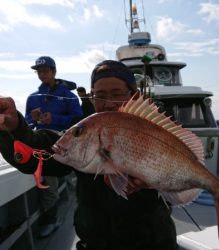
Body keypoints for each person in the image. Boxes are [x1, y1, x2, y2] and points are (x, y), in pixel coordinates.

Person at [0, 60, 179, 250]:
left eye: (117, 94)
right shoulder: (85, 135)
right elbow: (39, 151)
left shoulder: (158, 130)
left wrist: (155, 180)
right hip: (96, 243)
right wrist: (13, 128)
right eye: (100, 95)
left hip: (154, 242)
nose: (108, 103)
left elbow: (179, 173)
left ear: (133, 95)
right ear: (92, 98)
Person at [25, 56, 83, 238]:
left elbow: (79, 121)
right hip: (43, 145)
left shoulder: (69, 96)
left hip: (67, 145)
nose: (42, 74)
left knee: (75, 181)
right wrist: (32, 119)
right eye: (39, 71)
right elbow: (27, 123)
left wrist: (55, 119)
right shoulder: (32, 98)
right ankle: (52, 220)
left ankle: (81, 211)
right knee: (48, 184)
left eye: (46, 70)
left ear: (54, 71)